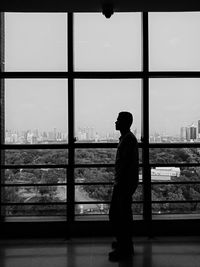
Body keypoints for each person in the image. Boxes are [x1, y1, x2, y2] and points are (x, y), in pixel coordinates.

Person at [108, 111, 139, 262]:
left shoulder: (127, 139)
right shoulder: (128, 138)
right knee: (123, 215)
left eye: (118, 120)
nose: (115, 122)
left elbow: (126, 164)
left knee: (118, 215)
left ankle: (124, 248)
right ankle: (125, 244)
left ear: (125, 122)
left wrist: (120, 184)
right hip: (125, 183)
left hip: (123, 183)